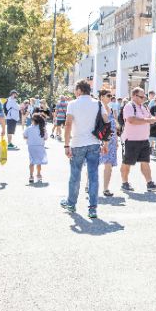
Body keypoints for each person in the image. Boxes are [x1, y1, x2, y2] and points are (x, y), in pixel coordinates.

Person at [62, 80, 109, 219]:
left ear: (79, 90)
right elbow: (107, 122)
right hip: (94, 143)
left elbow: (68, 124)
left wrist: (66, 144)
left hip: (77, 143)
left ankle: (71, 203)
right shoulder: (98, 103)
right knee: (93, 176)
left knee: (75, 175)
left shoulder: (72, 104)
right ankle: (92, 208)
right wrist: (105, 143)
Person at [120, 87, 156, 192]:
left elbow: (149, 118)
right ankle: (124, 183)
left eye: (144, 97)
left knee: (145, 162)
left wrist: (155, 118)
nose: (144, 99)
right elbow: (131, 120)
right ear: (134, 96)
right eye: (141, 97)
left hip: (144, 139)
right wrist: (149, 120)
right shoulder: (129, 106)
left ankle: (150, 183)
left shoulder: (144, 107)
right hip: (131, 140)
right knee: (127, 162)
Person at [98, 90, 118, 197]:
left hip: (112, 141)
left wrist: (116, 140)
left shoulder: (110, 108)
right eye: (108, 95)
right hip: (100, 140)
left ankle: (106, 188)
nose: (110, 97)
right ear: (101, 97)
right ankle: (88, 184)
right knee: (94, 163)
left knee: (108, 165)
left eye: (111, 95)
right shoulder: (98, 108)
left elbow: (114, 125)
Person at [24, 113, 49, 184]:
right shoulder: (42, 129)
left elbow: (25, 136)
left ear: (33, 121)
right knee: (39, 162)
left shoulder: (29, 128)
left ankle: (31, 176)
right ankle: (38, 174)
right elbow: (46, 138)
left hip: (31, 146)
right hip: (40, 146)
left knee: (31, 161)